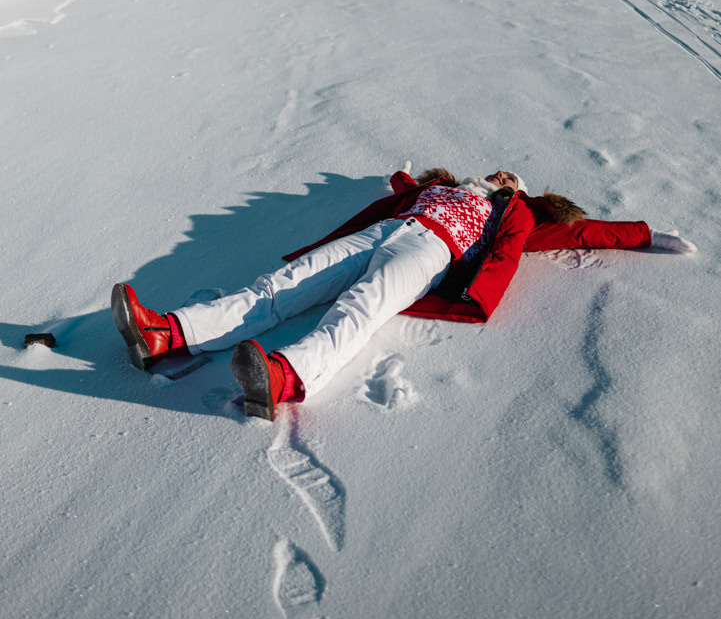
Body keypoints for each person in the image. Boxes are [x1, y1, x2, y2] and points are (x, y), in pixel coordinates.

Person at [111, 165, 696, 421]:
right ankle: (169, 333)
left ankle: (286, 377)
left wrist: (646, 234)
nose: (502, 177)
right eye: (499, 173)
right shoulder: (439, 188)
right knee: (280, 286)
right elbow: (400, 184)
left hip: (431, 252)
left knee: (361, 309)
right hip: (387, 230)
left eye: (512, 179)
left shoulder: (511, 217)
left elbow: (582, 230)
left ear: (519, 193)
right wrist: (405, 178)